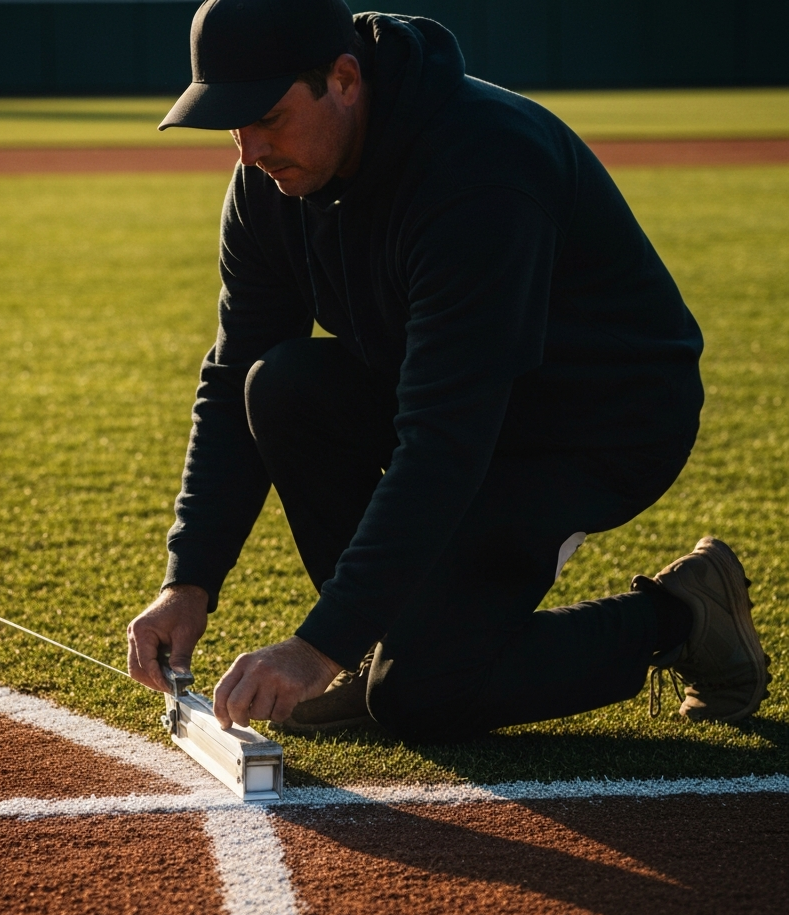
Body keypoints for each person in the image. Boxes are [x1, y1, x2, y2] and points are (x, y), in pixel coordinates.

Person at [126, 0, 771, 742]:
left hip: (599, 422)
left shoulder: (481, 170)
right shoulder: (270, 188)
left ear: (344, 79)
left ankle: (686, 616)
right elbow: (234, 368)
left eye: (266, 115)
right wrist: (190, 580)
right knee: (279, 384)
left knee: (423, 693)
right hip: (452, 398)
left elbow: (444, 440)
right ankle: (383, 647)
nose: (248, 149)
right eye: (230, 124)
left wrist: (318, 648)